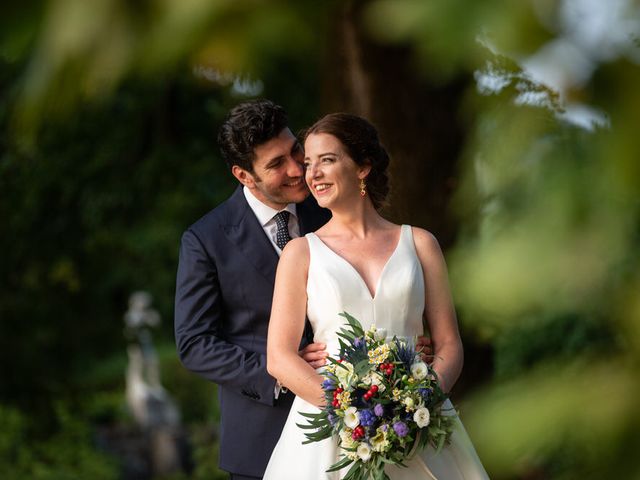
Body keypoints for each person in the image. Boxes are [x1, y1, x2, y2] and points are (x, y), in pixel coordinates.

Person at [264, 113, 488, 479]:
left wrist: (420, 401)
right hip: (333, 429)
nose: (313, 173)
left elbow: (450, 344)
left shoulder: (420, 244)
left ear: (363, 167)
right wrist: (350, 413)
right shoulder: (300, 253)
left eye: (327, 160)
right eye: (308, 164)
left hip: (418, 419)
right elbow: (279, 357)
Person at [174, 99, 332, 479]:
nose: (297, 169)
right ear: (244, 176)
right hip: (263, 436)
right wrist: (280, 371)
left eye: (295, 150)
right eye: (276, 164)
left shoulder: (330, 211)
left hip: (351, 427)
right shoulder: (206, 239)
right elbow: (194, 343)